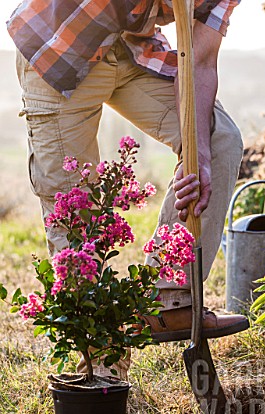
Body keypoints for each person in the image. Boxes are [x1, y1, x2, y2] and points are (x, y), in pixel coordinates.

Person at [7, 0, 248, 379]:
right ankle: (102, 372)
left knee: (218, 139)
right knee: (74, 208)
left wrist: (197, 148)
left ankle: (168, 299)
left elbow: (199, 61)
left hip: (134, 51)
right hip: (60, 46)